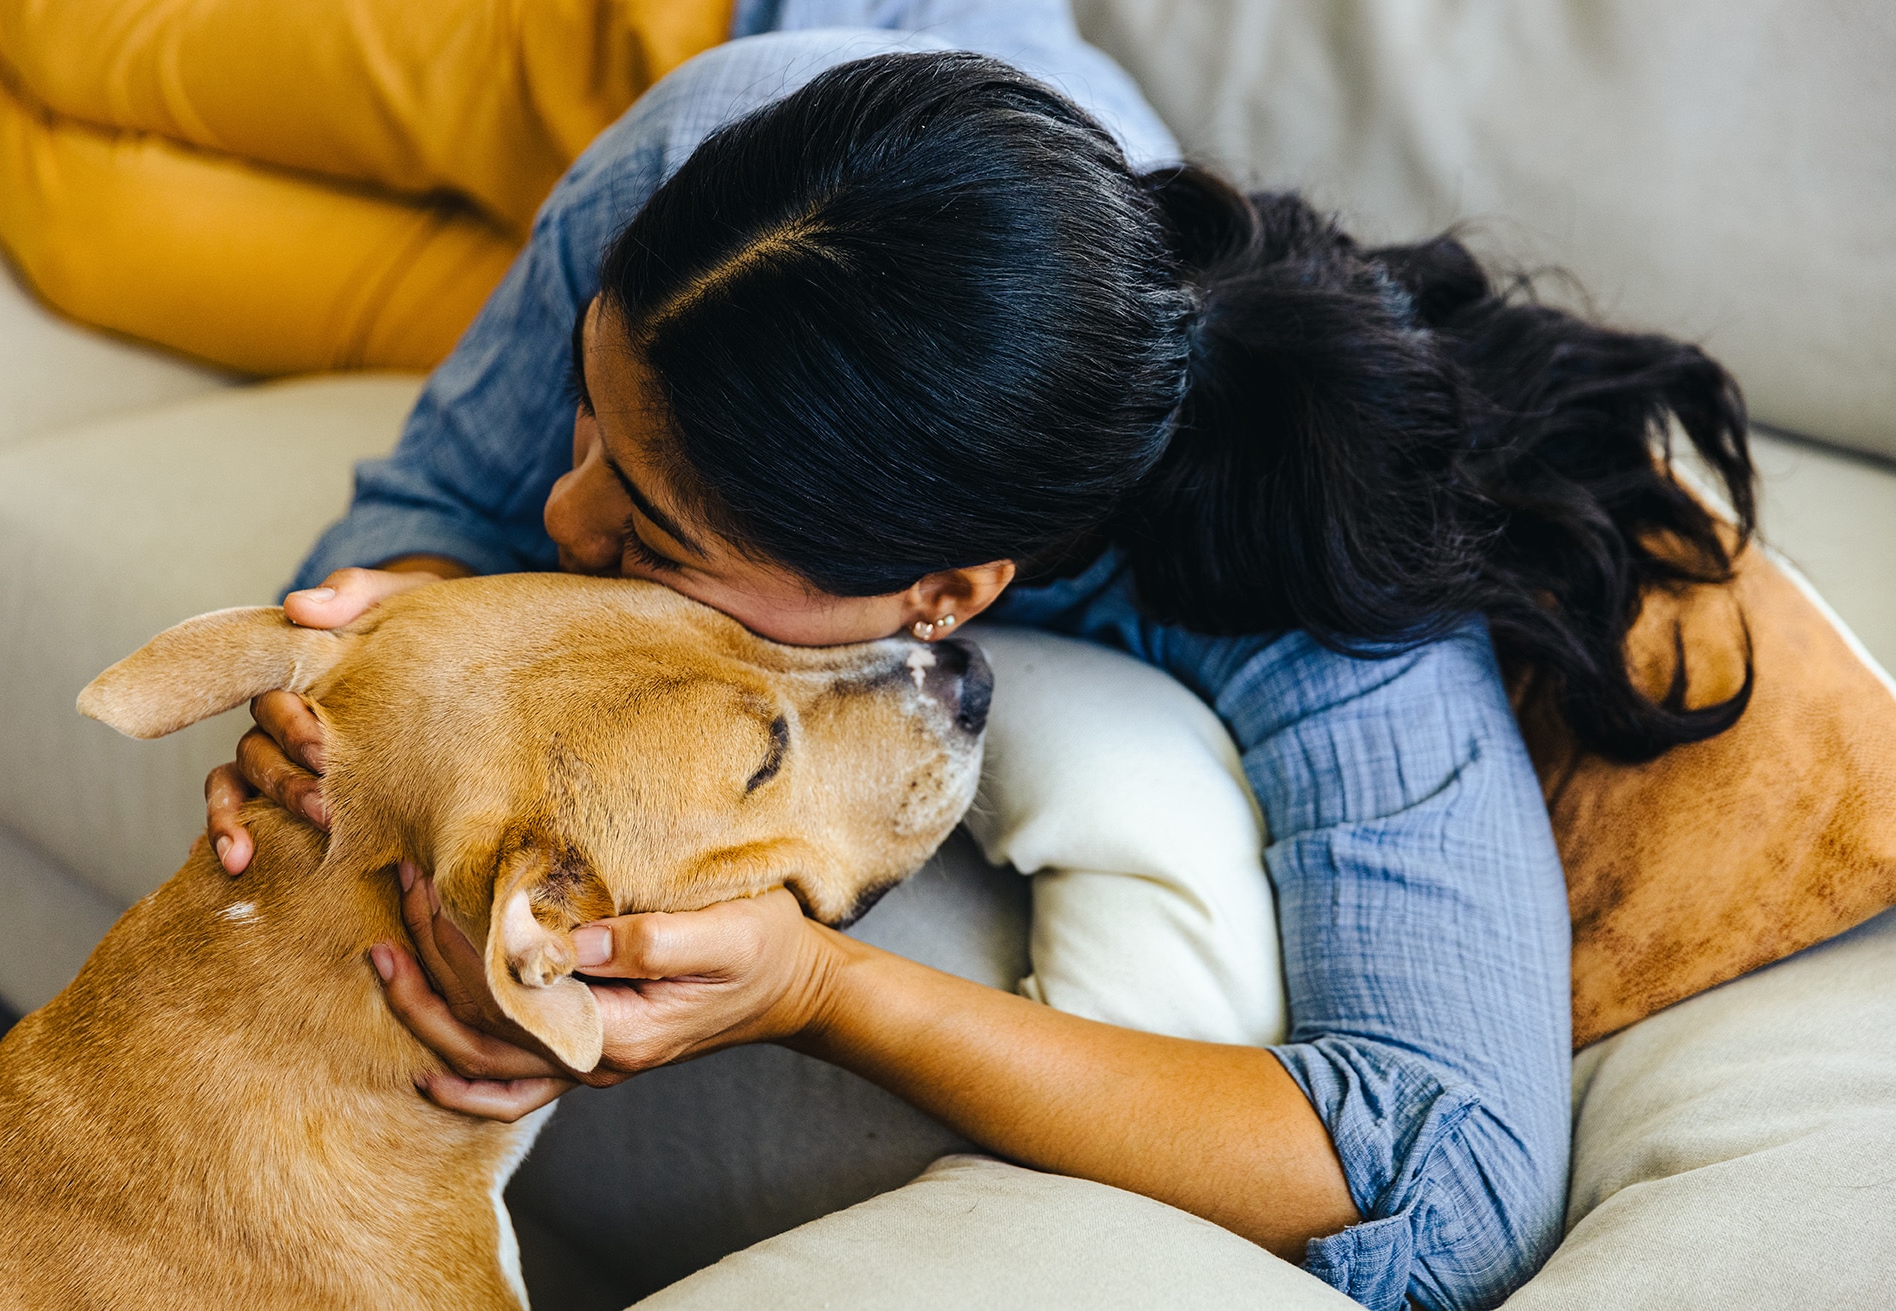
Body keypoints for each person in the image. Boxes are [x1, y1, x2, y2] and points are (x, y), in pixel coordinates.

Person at [204, 4, 1755, 1308]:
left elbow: (1453, 1184)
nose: (561, 508)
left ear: (943, 595)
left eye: (654, 528)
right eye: (584, 415)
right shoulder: (702, 201)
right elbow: (440, 513)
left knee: (121, 211)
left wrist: (818, 987)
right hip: (685, 44)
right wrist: (352, 684)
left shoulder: (1321, 603)